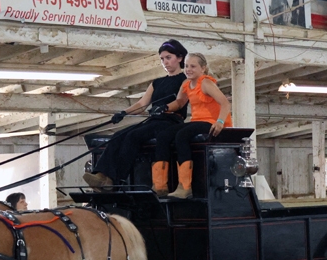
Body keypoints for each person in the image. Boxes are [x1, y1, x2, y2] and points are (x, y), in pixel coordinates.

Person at [83, 40, 189, 191]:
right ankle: (101, 174)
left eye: (168, 57)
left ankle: (116, 180)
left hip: (170, 122)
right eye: (162, 59)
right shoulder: (157, 82)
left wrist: (165, 108)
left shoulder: (185, 80)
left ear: (179, 58)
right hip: (154, 121)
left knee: (134, 136)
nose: (165, 62)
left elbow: (179, 102)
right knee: (118, 135)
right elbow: (142, 104)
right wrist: (123, 113)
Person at [153, 52, 232, 199]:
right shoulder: (186, 84)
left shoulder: (206, 83)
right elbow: (179, 102)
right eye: (186, 66)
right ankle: (160, 186)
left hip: (210, 121)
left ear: (203, 68)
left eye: (193, 66)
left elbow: (225, 103)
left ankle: (185, 187)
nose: (188, 69)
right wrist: (164, 108)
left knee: (182, 135)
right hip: (196, 121)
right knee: (163, 135)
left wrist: (220, 122)